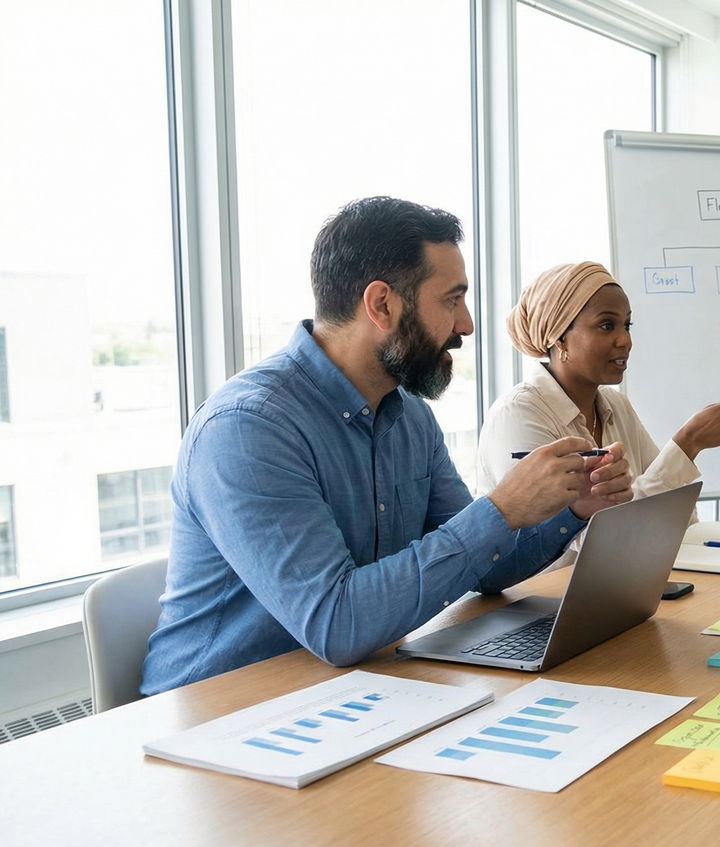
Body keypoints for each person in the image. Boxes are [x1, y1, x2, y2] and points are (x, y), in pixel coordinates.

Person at [142, 197, 632, 695]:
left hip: (347, 692)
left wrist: (568, 509)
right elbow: (338, 624)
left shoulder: (410, 418)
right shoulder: (248, 429)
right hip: (218, 713)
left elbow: (486, 568)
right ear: (381, 305)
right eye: (451, 300)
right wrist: (501, 510)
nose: (466, 324)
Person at [478, 260, 720, 502]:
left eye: (627, 325)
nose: (625, 340)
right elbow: (572, 542)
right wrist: (688, 442)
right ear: (559, 337)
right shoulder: (518, 415)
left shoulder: (615, 406)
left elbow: (670, 511)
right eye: (607, 325)